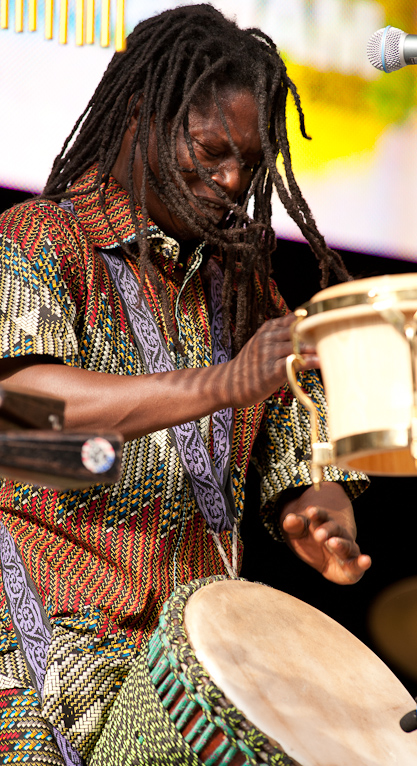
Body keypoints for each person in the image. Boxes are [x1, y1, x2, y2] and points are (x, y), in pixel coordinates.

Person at [0, 4, 371, 763]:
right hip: (52, 649)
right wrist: (221, 383)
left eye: (251, 164)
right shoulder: (43, 239)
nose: (234, 181)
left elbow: (303, 448)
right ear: (142, 117)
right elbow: (29, 407)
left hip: (196, 652)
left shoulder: (242, 289)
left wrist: (321, 512)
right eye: (210, 152)